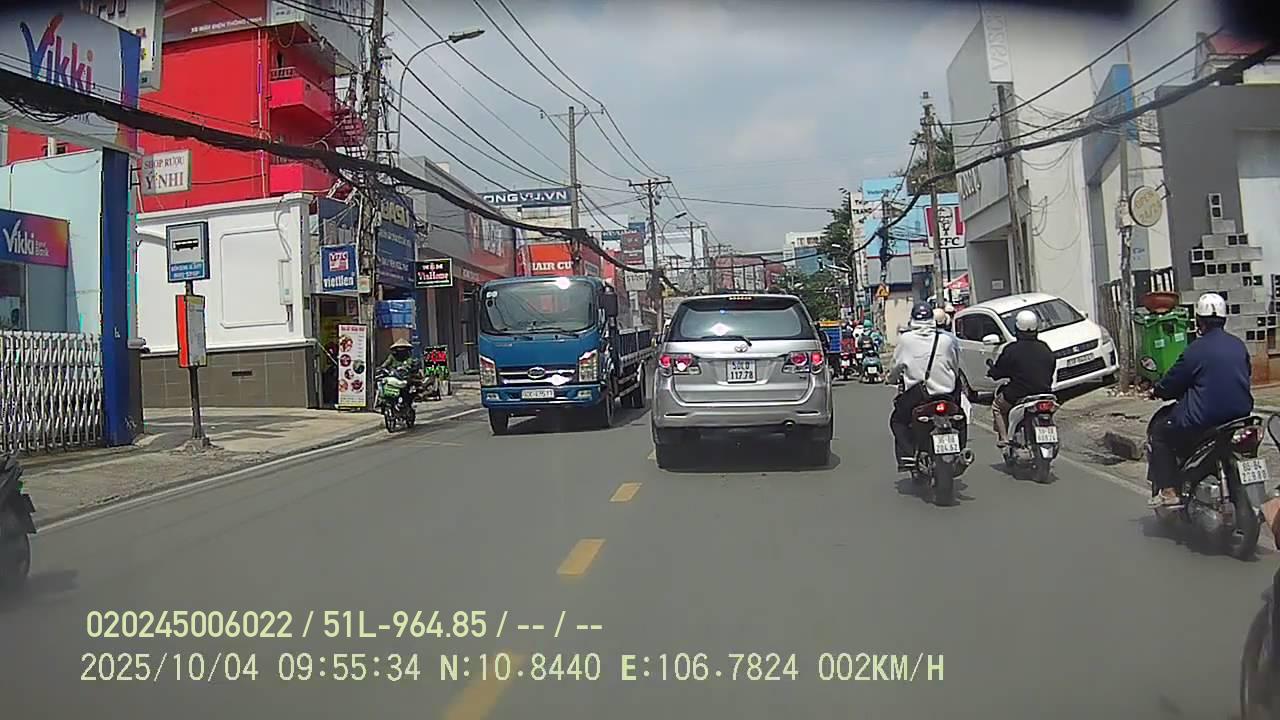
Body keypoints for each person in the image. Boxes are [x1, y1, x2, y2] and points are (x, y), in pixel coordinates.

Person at [1147, 292, 1254, 507]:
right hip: (1240, 417)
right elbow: (1246, 373)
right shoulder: (1238, 345)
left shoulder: (1195, 349)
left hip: (1203, 420)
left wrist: (1157, 391)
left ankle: (1169, 490)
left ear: (1199, 321)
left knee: (1159, 431)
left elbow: (1173, 382)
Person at [887, 302, 963, 470]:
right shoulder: (947, 339)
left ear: (912, 320)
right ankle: (961, 450)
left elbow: (896, 367)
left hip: (918, 396)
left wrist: (890, 379)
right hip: (947, 394)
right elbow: (955, 365)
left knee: (897, 421)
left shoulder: (905, 340)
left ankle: (909, 455)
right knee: (960, 416)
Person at [987, 309, 1056, 446]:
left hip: (1018, 393)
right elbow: (1051, 367)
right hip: (1045, 392)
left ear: (1017, 328)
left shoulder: (1012, 350)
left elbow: (999, 370)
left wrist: (993, 372)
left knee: (997, 407)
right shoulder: (1044, 348)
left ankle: (1004, 439)